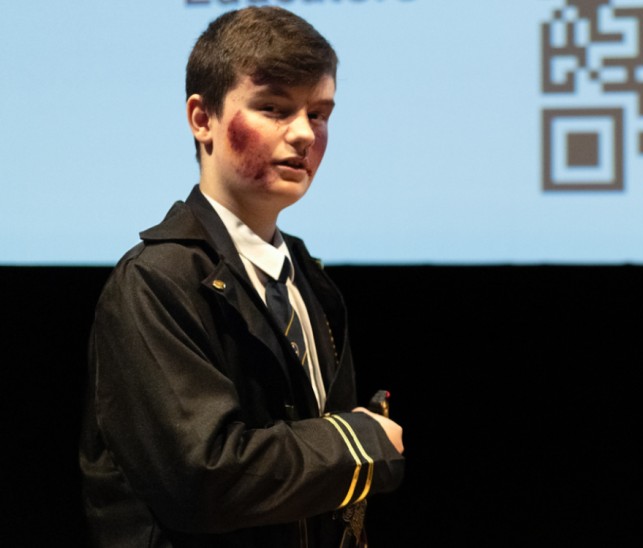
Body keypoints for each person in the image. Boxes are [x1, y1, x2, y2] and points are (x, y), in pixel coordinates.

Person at [80, 7, 405, 546]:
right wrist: (362, 441)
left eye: (320, 114)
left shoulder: (307, 277)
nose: (304, 133)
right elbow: (206, 479)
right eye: (274, 108)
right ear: (201, 118)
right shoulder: (154, 282)